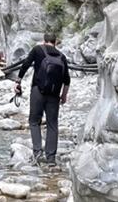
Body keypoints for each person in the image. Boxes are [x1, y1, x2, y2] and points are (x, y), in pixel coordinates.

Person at [15, 32, 70, 166]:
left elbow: (26, 64)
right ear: (55, 42)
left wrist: (18, 81)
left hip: (38, 91)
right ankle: (51, 158)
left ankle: (38, 152)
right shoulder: (61, 56)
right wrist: (64, 95)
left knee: (34, 121)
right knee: (52, 124)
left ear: (44, 40)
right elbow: (67, 79)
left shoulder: (38, 49)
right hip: (54, 94)